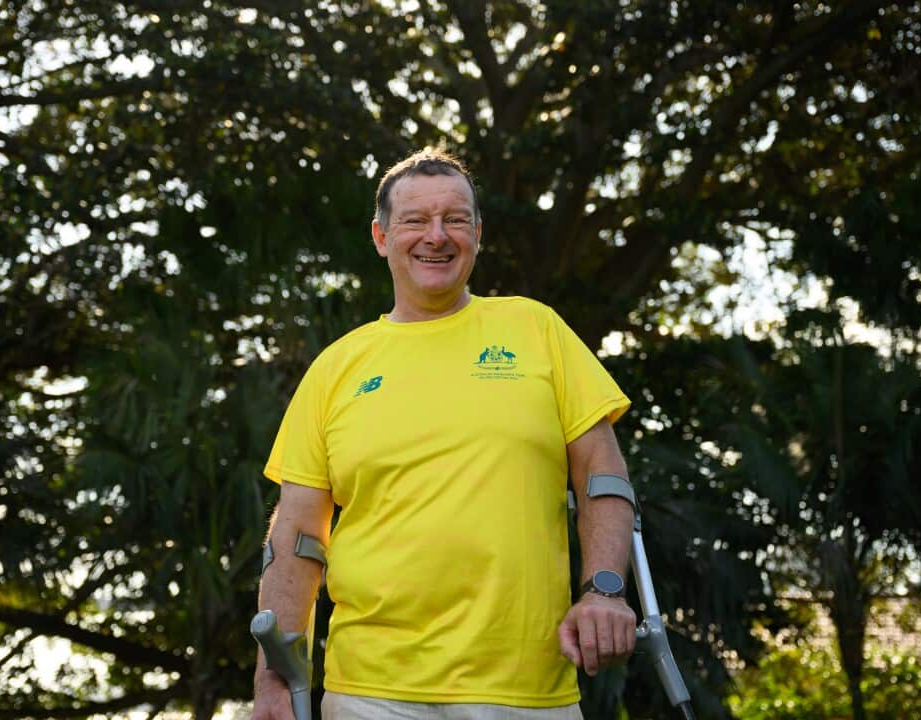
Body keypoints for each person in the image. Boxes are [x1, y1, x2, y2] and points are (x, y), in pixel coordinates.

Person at [253, 148, 638, 720]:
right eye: (416, 221)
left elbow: (603, 475)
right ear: (382, 237)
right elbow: (297, 537)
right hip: (369, 693)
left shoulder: (535, 328)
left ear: (478, 235)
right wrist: (274, 681)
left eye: (455, 219)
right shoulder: (337, 368)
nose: (437, 236)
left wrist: (604, 591)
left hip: (527, 690)